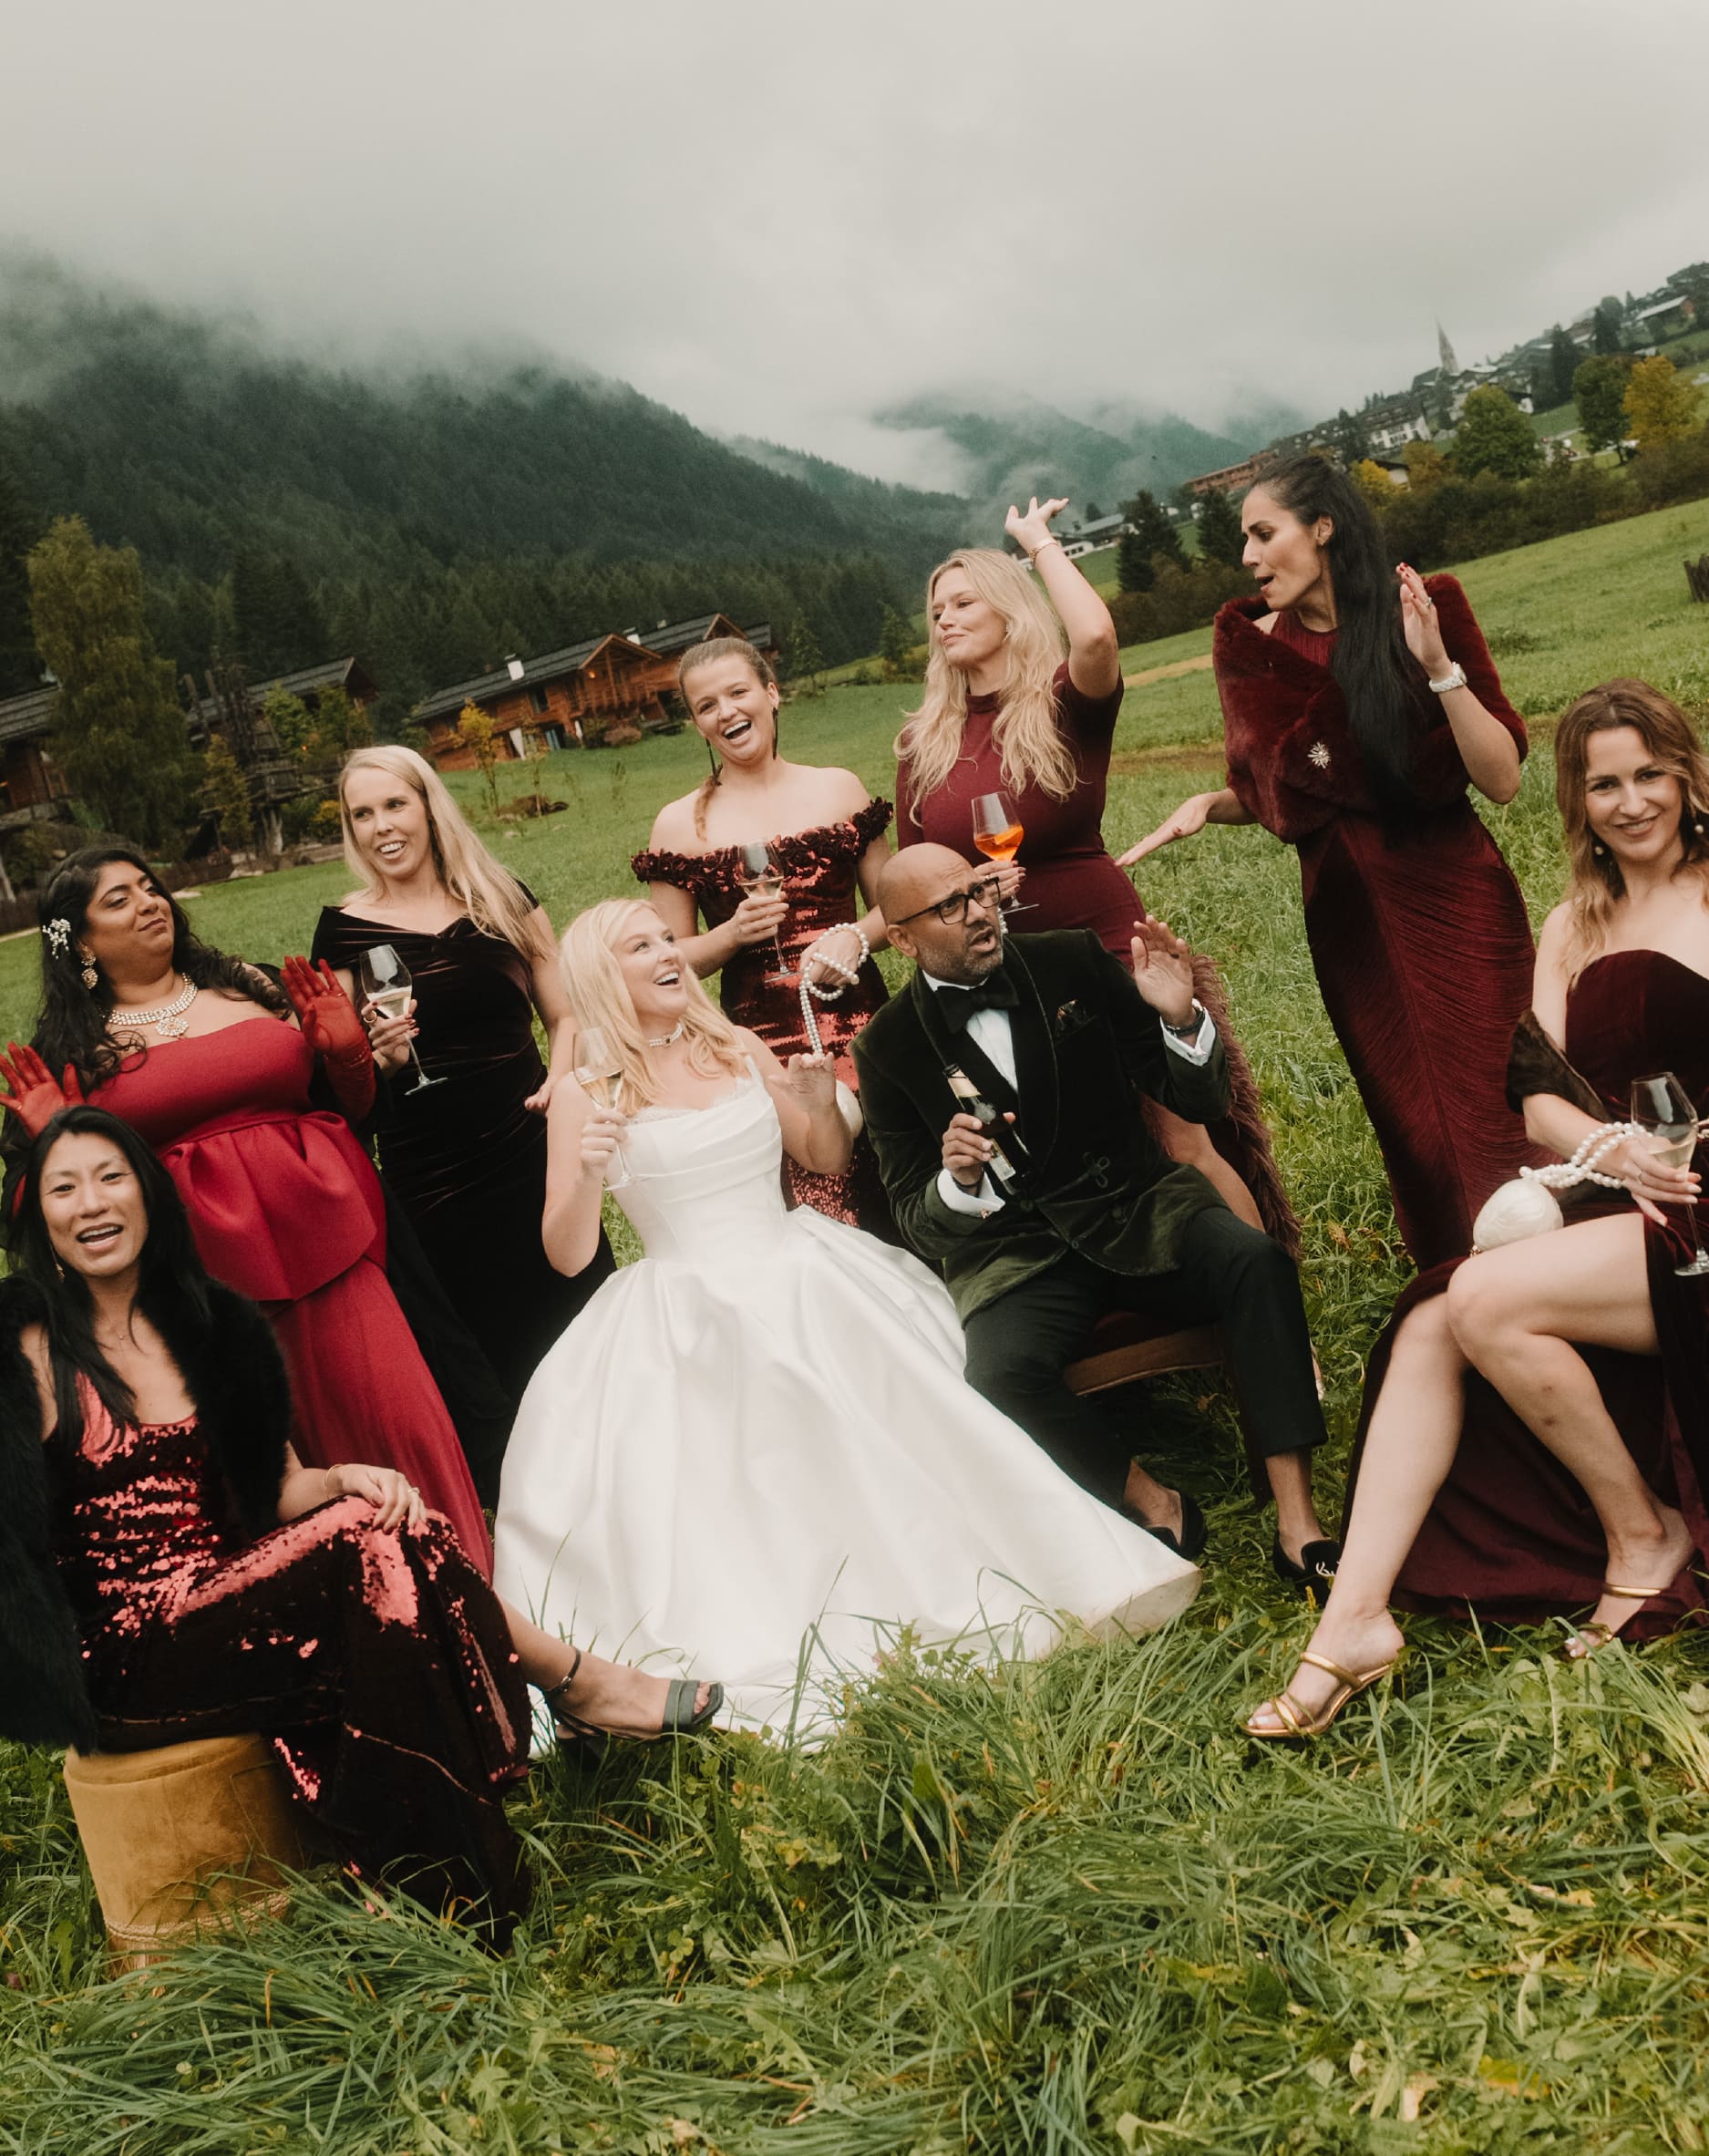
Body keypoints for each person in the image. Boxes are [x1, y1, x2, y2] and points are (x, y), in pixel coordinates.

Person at [493, 899, 1201, 1734]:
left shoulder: (734, 1045)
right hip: (684, 1307)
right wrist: (586, 1171)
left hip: (801, 1271)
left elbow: (820, 1155)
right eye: (640, 946)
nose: (669, 952)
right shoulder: (587, 1092)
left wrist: (818, 1101)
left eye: (666, 938)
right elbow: (567, 1253)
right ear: (600, 977)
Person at [1242, 681, 1709, 1738]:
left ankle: (1645, 1536)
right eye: (1605, 784)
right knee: (1431, 1320)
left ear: (1687, 777)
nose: (1633, 801)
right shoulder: (1575, 923)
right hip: (1624, 1185)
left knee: (1483, 1299)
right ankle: (1352, 1624)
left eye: (1651, 774)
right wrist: (1616, 1150)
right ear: (1578, 801)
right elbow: (1536, 1094)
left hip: (1703, 1199)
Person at [852, 844, 1339, 1592]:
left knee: (1254, 1261)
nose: (979, 911)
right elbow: (918, 1222)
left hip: (1137, 1206)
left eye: (979, 890)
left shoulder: (1070, 959)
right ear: (902, 938)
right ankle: (1154, 1502)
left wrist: (1179, 1020)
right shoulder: (884, 1047)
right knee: (997, 1373)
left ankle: (1297, 1524)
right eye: (950, 905)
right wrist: (958, 1181)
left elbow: (1196, 1100)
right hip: (1016, 1253)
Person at [4, 847, 490, 1570]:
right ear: (78, 941)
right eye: (119, 899)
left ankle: (471, 1588)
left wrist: (348, 1054)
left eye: (150, 885)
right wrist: (54, 1146)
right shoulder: (69, 1052)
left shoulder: (248, 985)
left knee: (400, 1421)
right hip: (204, 1290)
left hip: (333, 1244)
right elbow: (37, 1211)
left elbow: (346, 1108)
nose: (149, 902)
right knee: (275, 1463)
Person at [1120, 454, 1535, 1269]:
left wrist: (1436, 666)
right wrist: (1213, 802)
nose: (1247, 556)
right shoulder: (1250, 650)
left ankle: (1562, 1261)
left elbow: (1501, 779)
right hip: (1350, 919)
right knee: (1412, 1121)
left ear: (1321, 528)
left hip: (1454, 893)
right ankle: (1458, 1279)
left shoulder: (1426, 607)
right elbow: (1296, 785)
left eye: (1262, 533)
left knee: (1510, 1093)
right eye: (1244, 539)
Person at [894, 501, 1298, 1252]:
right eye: (936, 609)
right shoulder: (923, 741)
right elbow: (910, 876)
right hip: (1003, 976)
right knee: (1067, 1162)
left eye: (963, 602)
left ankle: (1265, 1294)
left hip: (1104, 947)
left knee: (1182, 1144)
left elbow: (1096, 637)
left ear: (1009, 611)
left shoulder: (1062, 704)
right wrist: (969, 893)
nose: (943, 618)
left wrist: (1037, 542)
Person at [313, 745, 615, 1410]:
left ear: (428, 807)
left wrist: (560, 1082)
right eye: (362, 813)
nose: (382, 826)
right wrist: (382, 1058)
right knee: (489, 1361)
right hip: (432, 1176)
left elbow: (564, 1014)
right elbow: (347, 1084)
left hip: (532, 1144)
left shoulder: (502, 899)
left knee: (587, 1332)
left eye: (395, 804)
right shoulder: (342, 933)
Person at [633, 635, 896, 1233]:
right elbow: (672, 959)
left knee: (895, 1178)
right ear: (697, 724)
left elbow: (895, 910)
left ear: (771, 693)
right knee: (819, 1204)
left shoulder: (837, 788)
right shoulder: (678, 824)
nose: (725, 712)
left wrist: (855, 936)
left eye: (737, 692)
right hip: (763, 1044)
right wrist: (729, 935)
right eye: (706, 705)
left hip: (864, 1024)